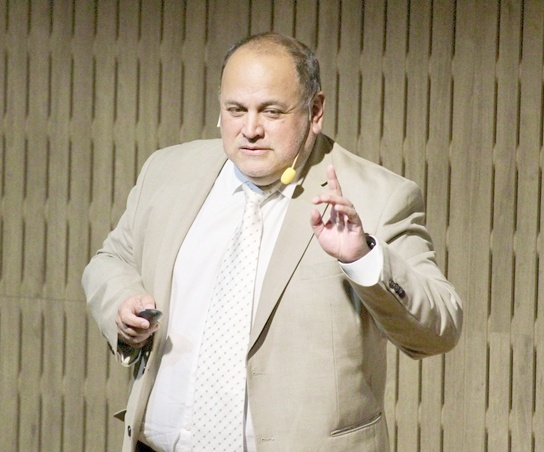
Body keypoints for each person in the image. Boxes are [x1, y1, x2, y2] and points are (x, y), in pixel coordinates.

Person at [82, 32, 463, 452]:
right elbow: (111, 259)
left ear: (315, 111)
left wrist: (363, 257)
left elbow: (439, 329)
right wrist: (121, 304)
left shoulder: (378, 197)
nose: (250, 130)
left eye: (271, 111)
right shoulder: (168, 171)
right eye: (236, 110)